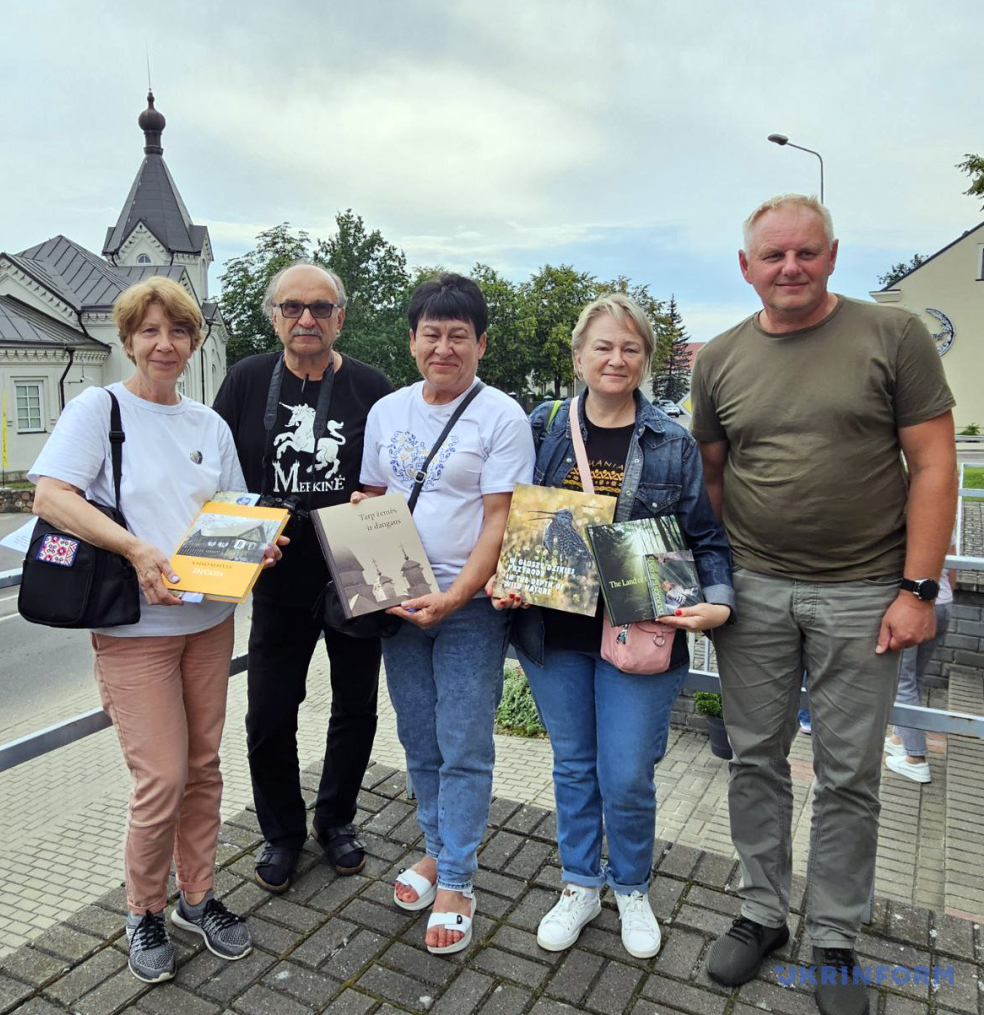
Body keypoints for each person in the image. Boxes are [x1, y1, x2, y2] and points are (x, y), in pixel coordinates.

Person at [690, 194, 956, 1015]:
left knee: (848, 775)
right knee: (754, 758)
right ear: (746, 268)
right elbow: (713, 475)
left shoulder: (892, 336)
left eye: (806, 252)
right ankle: (760, 912)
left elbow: (936, 464)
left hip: (866, 593)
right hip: (758, 594)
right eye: (773, 257)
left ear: (832, 255)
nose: (790, 268)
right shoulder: (721, 359)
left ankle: (835, 937)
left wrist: (917, 589)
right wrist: (730, 579)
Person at [31, 278, 271, 983]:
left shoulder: (208, 425)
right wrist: (137, 550)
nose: (165, 345)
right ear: (128, 339)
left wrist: (258, 543)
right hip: (133, 626)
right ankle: (144, 910)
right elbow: (50, 495)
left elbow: (231, 510)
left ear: (195, 341)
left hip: (209, 620)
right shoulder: (98, 408)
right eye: (150, 332)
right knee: (160, 778)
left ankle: (198, 896)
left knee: (203, 768)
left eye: (179, 332)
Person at [495, 293, 734, 957]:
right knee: (574, 766)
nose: (615, 358)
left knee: (626, 771)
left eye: (630, 347)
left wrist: (717, 602)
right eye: (602, 346)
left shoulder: (670, 441)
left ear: (646, 360)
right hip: (554, 630)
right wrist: (506, 573)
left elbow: (706, 538)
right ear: (578, 356)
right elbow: (513, 517)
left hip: (640, 629)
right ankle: (579, 884)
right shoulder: (542, 427)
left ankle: (630, 886)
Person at [356, 273, 534, 955]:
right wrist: (375, 576)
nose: (444, 346)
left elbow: (500, 519)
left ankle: (458, 878)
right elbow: (372, 494)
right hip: (400, 601)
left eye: (459, 335)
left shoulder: (501, 416)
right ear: (412, 341)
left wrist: (458, 596)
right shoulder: (389, 412)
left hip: (470, 606)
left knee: (464, 744)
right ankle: (435, 847)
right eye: (432, 333)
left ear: (481, 344)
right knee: (419, 737)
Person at [213, 262, 392, 893]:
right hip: (279, 568)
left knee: (356, 707)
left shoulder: (373, 388)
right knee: (268, 711)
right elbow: (219, 476)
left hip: (355, 564)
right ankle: (282, 833)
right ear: (274, 316)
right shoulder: (245, 379)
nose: (306, 319)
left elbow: (393, 478)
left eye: (320, 308)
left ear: (341, 316)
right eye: (292, 308)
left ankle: (336, 821)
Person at [885, 557, 956, 783]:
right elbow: (952, 568)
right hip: (943, 603)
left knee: (902, 682)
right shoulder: (946, 524)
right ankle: (899, 738)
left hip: (912, 609)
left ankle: (915, 758)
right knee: (915, 677)